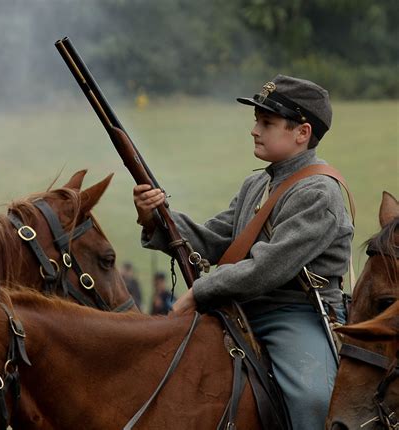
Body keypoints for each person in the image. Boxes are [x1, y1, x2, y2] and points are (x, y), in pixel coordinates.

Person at [133, 75, 353, 429]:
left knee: (312, 400)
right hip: (239, 307)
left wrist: (199, 292)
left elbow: (267, 267)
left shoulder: (319, 193)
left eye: (266, 122)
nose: (254, 129)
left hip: (295, 313)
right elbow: (210, 240)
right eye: (256, 120)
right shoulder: (257, 184)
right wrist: (155, 218)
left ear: (302, 133)